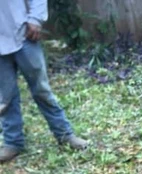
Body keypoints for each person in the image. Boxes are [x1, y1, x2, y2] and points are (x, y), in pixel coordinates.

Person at [0, 0, 88, 163]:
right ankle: (12, 143)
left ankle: (65, 135)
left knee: (41, 90)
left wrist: (35, 19)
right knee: (6, 97)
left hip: (24, 34)